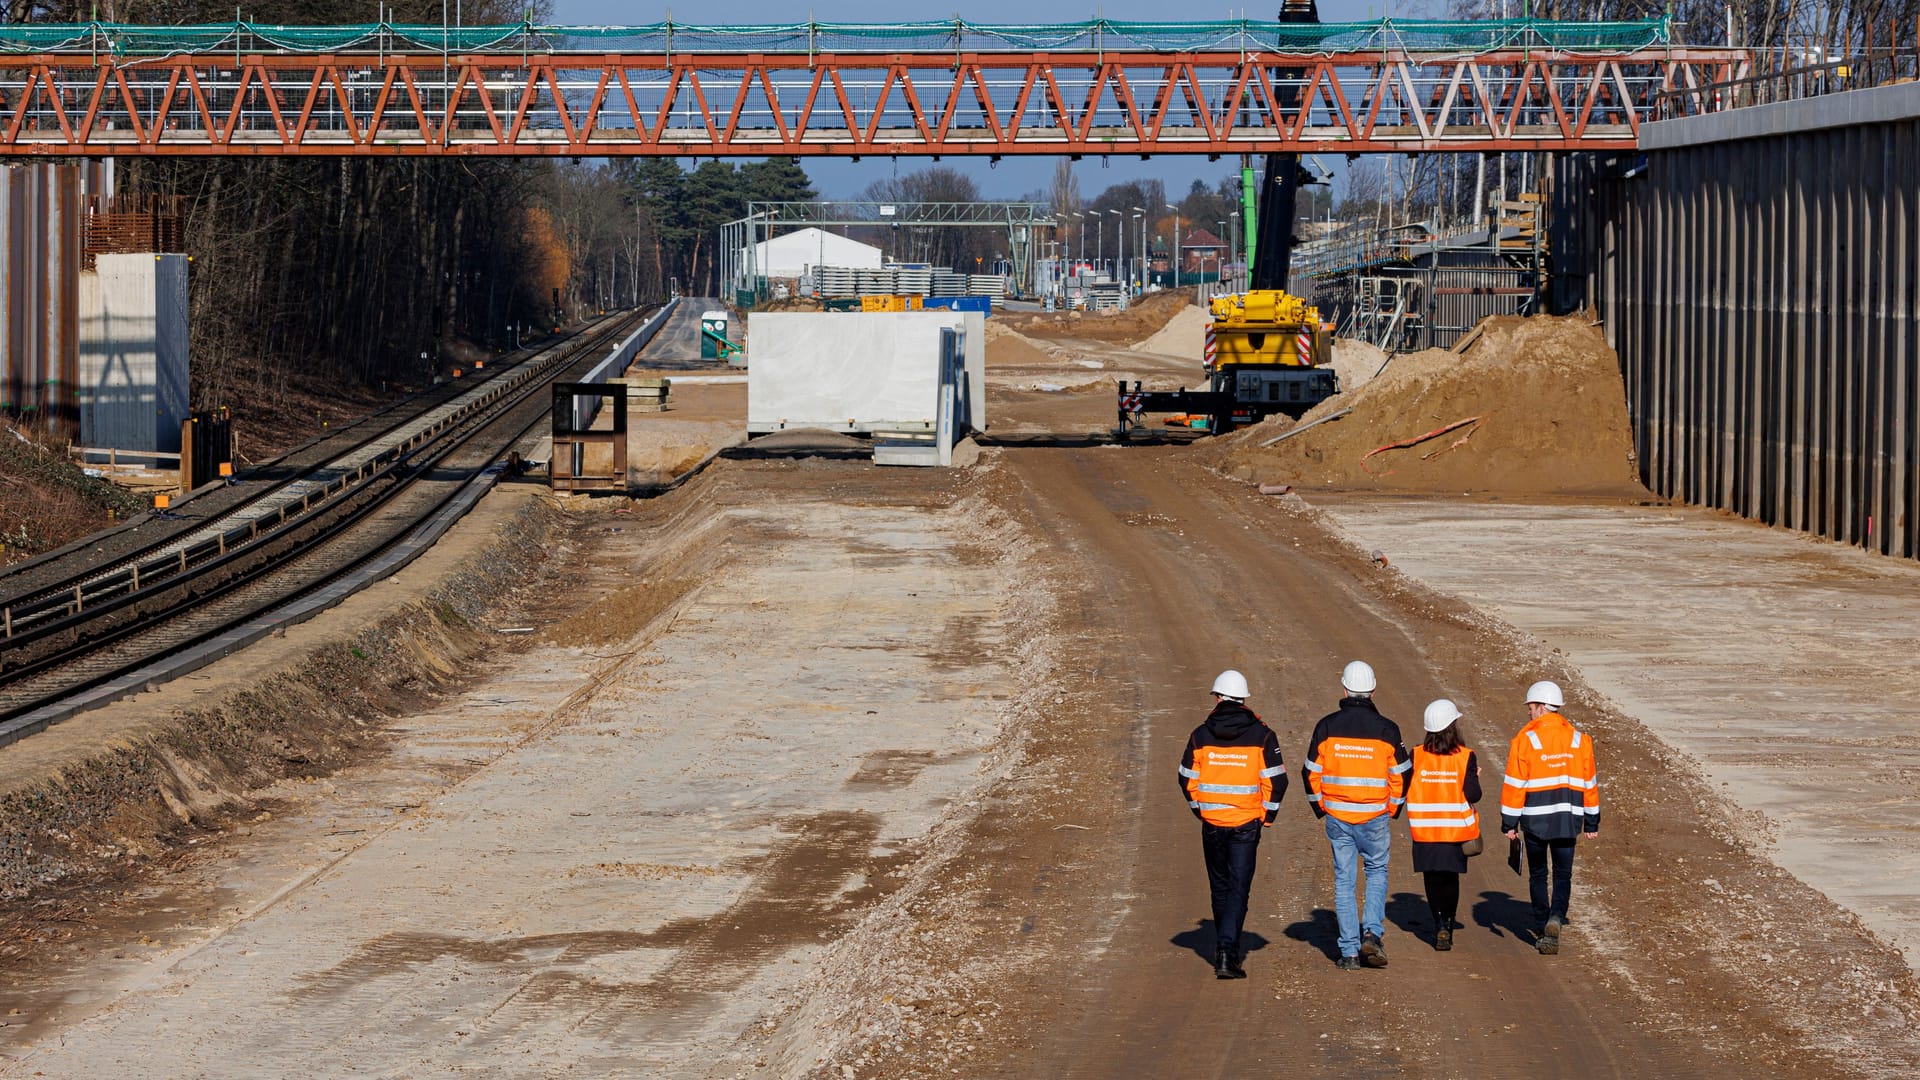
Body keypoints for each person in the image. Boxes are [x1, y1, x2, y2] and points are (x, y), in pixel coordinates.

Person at [1178, 669, 1287, 979]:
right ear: (1244, 699)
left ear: (1218, 698)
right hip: (1245, 824)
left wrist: (1201, 808)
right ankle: (1228, 952)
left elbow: (1186, 778)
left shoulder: (1200, 734)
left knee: (1220, 887)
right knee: (1239, 889)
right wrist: (1267, 815)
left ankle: (1223, 947)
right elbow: (1277, 781)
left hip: (1212, 822)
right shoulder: (1263, 735)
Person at [1302, 660, 1410, 970]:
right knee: (1376, 872)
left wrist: (1321, 806)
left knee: (1344, 882)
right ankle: (1372, 935)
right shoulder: (1387, 729)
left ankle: (1349, 952)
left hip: (1338, 817)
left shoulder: (1327, 726)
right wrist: (1392, 807)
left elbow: (1310, 772)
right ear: (1373, 691)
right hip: (1375, 815)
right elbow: (1401, 774)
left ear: (1345, 689)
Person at [1500, 680, 1600, 955]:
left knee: (1538, 874)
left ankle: (1543, 922)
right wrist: (1591, 821)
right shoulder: (1580, 740)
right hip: (1568, 820)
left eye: (1531, 707)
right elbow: (1589, 783)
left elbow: (1514, 785)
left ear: (1542, 707)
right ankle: (1557, 917)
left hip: (1535, 821)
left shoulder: (1525, 739)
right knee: (1563, 875)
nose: (1529, 712)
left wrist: (1509, 823)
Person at [1407, 699, 1483, 951]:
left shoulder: (1415, 755)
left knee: (1432, 880)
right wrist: (1475, 777)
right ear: (1453, 726)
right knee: (1450, 880)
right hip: (1454, 833)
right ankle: (1448, 927)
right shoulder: (1465, 757)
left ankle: (1438, 922)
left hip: (1425, 832)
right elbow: (1473, 795)